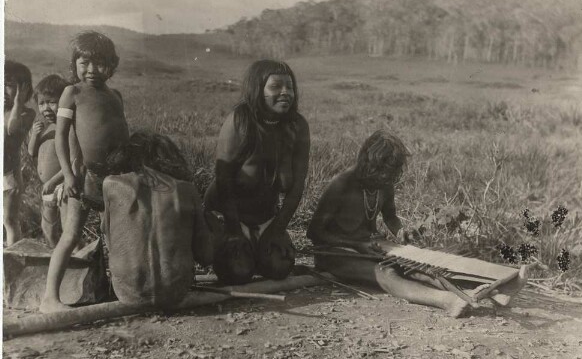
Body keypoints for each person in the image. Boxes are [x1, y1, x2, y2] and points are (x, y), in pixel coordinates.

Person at [307, 130, 490, 318]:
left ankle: (484, 292)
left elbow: (391, 217)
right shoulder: (342, 184)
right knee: (386, 272)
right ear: (368, 163)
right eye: (383, 171)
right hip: (334, 254)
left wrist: (400, 231)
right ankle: (446, 300)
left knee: (418, 267)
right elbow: (313, 232)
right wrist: (356, 245)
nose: (387, 177)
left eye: (392, 172)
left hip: (369, 248)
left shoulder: (384, 184)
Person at [40, 31, 129, 313]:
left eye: (99, 63)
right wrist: (67, 175)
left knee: (116, 234)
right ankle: (49, 298)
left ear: (111, 65)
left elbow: (120, 135)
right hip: (82, 176)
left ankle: (121, 288)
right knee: (71, 235)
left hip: (114, 178)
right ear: (75, 63)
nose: (91, 70)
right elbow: (61, 136)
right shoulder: (72, 92)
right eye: (84, 63)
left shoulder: (115, 96)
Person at [204, 59, 310, 285]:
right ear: (257, 90)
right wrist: (233, 231)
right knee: (237, 272)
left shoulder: (297, 126)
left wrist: (278, 229)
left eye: (290, 87)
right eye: (276, 87)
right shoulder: (239, 121)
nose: (285, 93)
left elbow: (298, 184)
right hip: (228, 216)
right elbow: (223, 181)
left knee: (279, 268)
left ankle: (257, 249)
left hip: (267, 217)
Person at [101, 131, 212, 308]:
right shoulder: (187, 189)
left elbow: (110, 241)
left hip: (129, 293)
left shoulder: (111, 184)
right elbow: (206, 255)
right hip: (175, 292)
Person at [27, 74, 70, 247]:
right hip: (48, 187)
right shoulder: (43, 128)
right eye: (41, 103)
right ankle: (54, 257)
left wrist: (53, 181)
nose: (46, 108)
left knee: (68, 230)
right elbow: (31, 152)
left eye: (51, 102)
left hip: (62, 185)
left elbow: (73, 161)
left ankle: (75, 261)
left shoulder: (66, 128)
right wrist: (35, 136)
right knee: (48, 228)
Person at [4, 60, 36, 246]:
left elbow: (12, 130)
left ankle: (12, 261)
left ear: (24, 89)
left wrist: (17, 103)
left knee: (10, 220)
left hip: (9, 177)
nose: (4, 91)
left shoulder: (26, 113)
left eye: (9, 85)